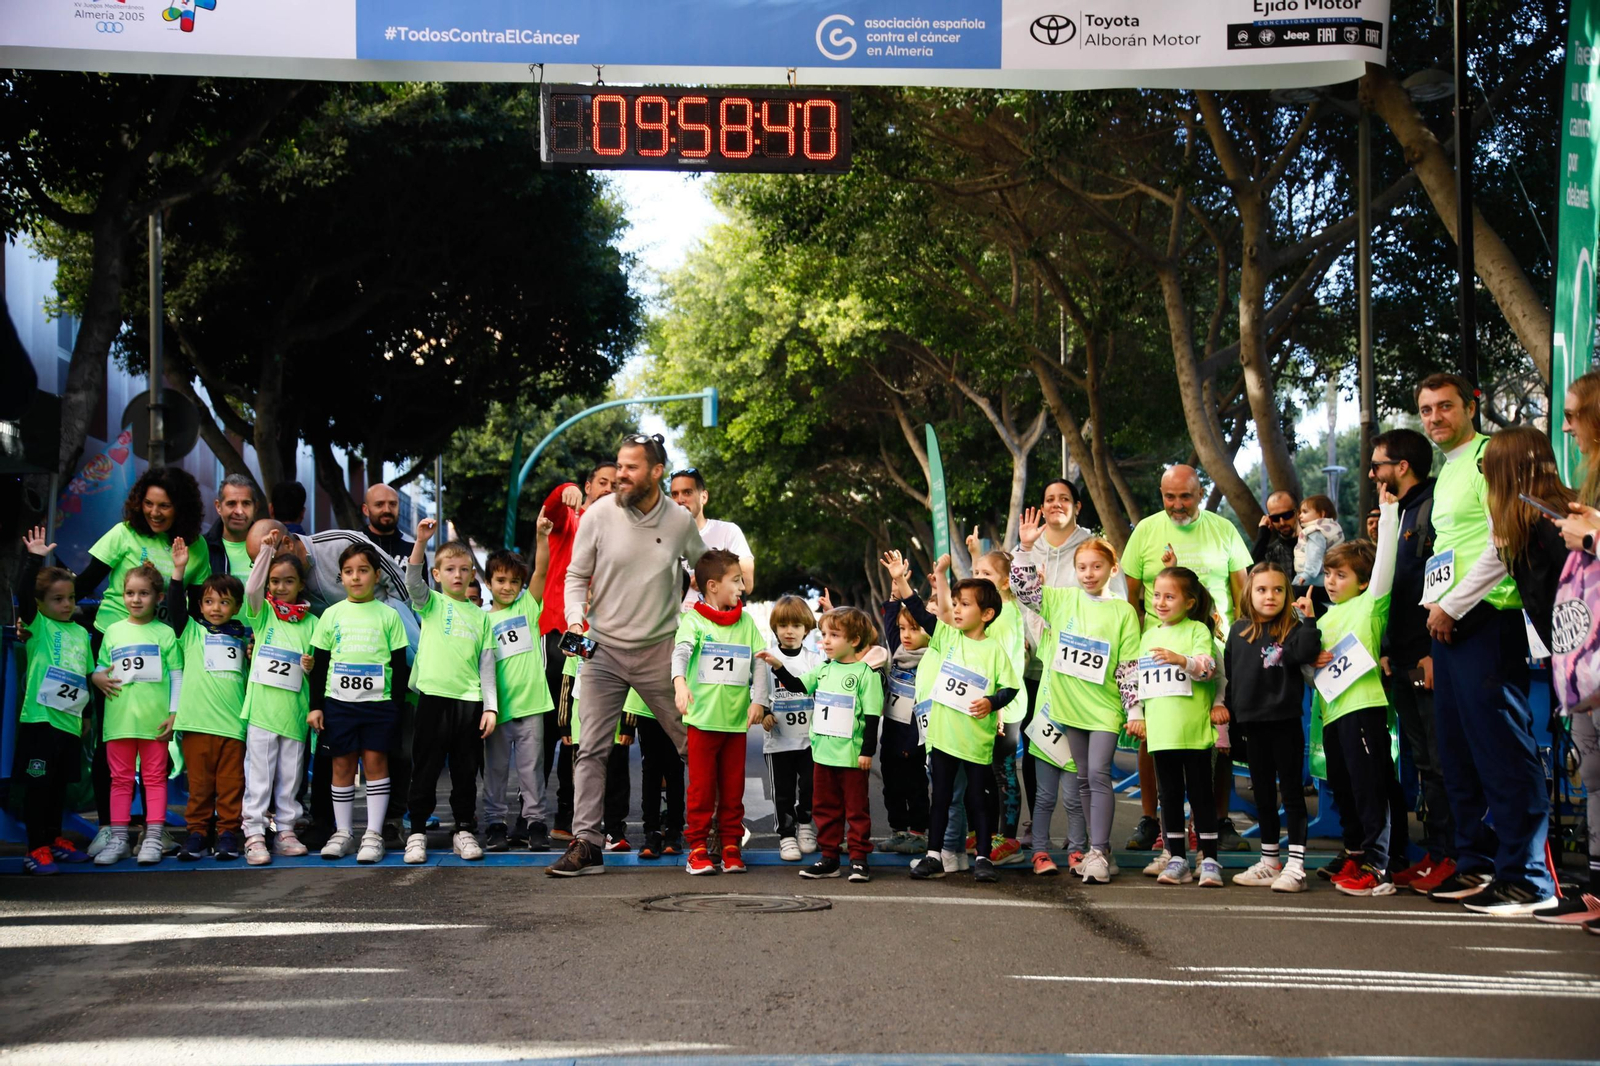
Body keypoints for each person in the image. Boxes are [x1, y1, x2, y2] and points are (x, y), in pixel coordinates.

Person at [1419, 372, 1556, 913]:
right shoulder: (1448, 471)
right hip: (1446, 625)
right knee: (1457, 753)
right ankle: (1475, 864)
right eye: (1426, 409)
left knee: (1503, 751)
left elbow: (1506, 541)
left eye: (1445, 406)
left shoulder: (1489, 459)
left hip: (1487, 620)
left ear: (1471, 406)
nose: (1435, 418)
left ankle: (1526, 875)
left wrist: (1454, 605)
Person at [549, 433, 707, 876]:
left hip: (660, 650)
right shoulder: (598, 515)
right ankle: (587, 844)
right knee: (591, 750)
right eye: (619, 466)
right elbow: (576, 576)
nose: (620, 475)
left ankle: (711, 830)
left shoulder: (678, 520)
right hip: (602, 650)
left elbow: (706, 567)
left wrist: (728, 589)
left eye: (631, 467)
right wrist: (577, 619)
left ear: (656, 472)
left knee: (693, 742)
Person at [245, 518, 417, 845]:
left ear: (284, 542)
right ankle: (334, 828)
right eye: (258, 563)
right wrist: (316, 703)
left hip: (385, 678)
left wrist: (405, 614)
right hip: (336, 695)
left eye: (264, 554)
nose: (354, 577)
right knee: (337, 760)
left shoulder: (338, 545)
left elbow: (394, 581)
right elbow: (319, 657)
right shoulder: (318, 615)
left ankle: (386, 825)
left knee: (388, 753)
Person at [1121, 465, 1252, 853]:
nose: (1177, 505)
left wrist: (1242, 644)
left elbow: (1242, 591)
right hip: (1157, 651)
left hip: (1212, 649)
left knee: (1219, 733)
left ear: (1201, 492)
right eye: (1169, 496)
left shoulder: (1223, 529)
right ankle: (1150, 819)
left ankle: (1219, 819)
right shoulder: (1145, 530)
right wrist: (1134, 646)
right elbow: (1132, 598)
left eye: (1186, 496)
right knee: (1151, 735)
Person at [1011, 519, 1139, 885]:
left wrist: (1134, 709)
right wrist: (1024, 549)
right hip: (1067, 708)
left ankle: (1097, 849)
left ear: (1112, 569)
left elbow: (1129, 665)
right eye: (1081, 567)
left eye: (1096, 567)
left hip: (1104, 709)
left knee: (1098, 775)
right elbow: (1025, 591)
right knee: (1083, 779)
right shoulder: (1060, 599)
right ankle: (1101, 854)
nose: (1088, 573)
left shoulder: (1123, 612)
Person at [1298, 488, 1400, 897]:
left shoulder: (1370, 605)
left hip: (1364, 709)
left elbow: (1386, 564)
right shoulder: (1325, 615)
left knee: (1369, 784)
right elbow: (1310, 669)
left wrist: (1390, 512)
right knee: (1341, 784)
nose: (1332, 582)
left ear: (1362, 581)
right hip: (1332, 715)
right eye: (1328, 574)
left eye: (1341, 576)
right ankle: (1356, 849)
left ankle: (1380, 863)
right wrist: (1307, 631)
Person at [1368, 427, 1455, 892]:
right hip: (1401, 655)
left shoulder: (1435, 508)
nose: (1372, 473)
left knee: (1441, 761)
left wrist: (1431, 652)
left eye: (1379, 465)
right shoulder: (1400, 513)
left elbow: (1441, 581)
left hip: (1428, 654)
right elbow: (1392, 590)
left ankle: (1453, 855)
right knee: (1423, 762)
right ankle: (1435, 853)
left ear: (1402, 467)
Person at [910, 567, 1022, 885]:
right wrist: (902, 582)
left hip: (976, 740)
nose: (956, 609)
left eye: (965, 604)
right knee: (942, 797)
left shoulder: (995, 650)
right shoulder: (947, 637)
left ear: (987, 614)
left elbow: (1010, 687)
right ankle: (934, 855)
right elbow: (921, 612)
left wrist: (991, 702)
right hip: (944, 737)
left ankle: (983, 857)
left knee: (978, 799)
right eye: (955, 603)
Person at [760, 606, 886, 883]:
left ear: (853, 641)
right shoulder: (824, 669)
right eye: (824, 634)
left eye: (834, 635)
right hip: (823, 755)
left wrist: (867, 752)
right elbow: (797, 686)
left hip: (851, 756)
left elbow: (873, 716)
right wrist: (778, 667)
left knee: (855, 809)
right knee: (824, 807)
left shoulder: (866, 674)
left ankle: (858, 859)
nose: (826, 640)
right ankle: (829, 858)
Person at [403, 519, 498, 864]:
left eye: (464, 570)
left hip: (469, 702)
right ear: (438, 574)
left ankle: (463, 829)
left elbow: (487, 664)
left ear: (473, 574)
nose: (457, 575)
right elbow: (413, 582)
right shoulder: (432, 604)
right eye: (449, 569)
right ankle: (416, 832)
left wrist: (490, 707)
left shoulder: (481, 617)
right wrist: (420, 542)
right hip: (433, 697)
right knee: (425, 767)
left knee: (464, 770)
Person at [308, 543, 410, 863]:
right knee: (342, 766)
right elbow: (320, 664)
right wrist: (316, 706)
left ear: (377, 575)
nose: (356, 577)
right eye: (349, 572)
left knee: (376, 765)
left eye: (363, 571)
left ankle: (373, 833)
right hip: (339, 704)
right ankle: (343, 832)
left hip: (379, 705)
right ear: (341, 577)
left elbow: (399, 665)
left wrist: (395, 707)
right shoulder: (331, 615)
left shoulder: (389, 616)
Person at [1225, 562, 1322, 891]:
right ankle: (1269, 861)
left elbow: (1308, 652)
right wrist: (1232, 723)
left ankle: (1296, 865)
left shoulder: (1292, 630)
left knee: (1292, 794)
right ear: (1249, 592)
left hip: (1285, 723)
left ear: (1287, 594)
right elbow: (1232, 679)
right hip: (1252, 725)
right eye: (1262, 590)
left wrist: (1308, 619)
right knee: (1263, 795)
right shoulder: (1237, 633)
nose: (1270, 596)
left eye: (1278, 590)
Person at [1544, 370, 1600, 926]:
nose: (1567, 426)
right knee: (1594, 770)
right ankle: (1594, 893)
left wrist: (1590, 536)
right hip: (1584, 659)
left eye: (1575, 414)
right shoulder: (1589, 475)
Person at [671, 548, 764, 875]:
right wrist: (680, 684)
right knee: (701, 789)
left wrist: (759, 700)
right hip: (702, 721)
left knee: (733, 788)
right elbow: (680, 654)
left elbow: (761, 662)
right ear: (712, 586)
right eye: (735, 580)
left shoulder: (747, 622)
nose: (742, 586)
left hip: (736, 724)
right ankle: (697, 848)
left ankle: (730, 846)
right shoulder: (693, 620)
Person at [538, 461, 616, 842]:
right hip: (560, 634)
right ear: (588, 487)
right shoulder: (573, 520)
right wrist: (563, 489)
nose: (608, 489)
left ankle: (576, 818)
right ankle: (535, 817)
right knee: (551, 730)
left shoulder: (620, 531)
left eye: (616, 485)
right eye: (602, 482)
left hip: (601, 640)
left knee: (587, 734)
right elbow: (551, 510)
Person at [89, 562, 181, 866]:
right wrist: (95, 676)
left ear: (159, 597)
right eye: (130, 593)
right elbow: (102, 667)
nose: (136, 599)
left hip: (155, 722)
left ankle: (153, 836)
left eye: (143, 593)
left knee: (155, 778)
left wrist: (174, 713)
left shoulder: (165, 634)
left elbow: (177, 676)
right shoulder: (113, 631)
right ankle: (118, 838)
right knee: (120, 780)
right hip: (119, 721)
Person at [15, 527, 93, 875]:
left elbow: (86, 676)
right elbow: (22, 591)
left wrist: (87, 715)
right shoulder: (38, 626)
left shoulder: (80, 632)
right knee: (39, 787)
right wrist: (34, 558)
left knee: (60, 786)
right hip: (40, 722)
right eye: (57, 599)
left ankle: (55, 838)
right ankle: (36, 848)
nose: (66, 605)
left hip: (69, 723)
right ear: (41, 604)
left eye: (70, 598)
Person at [167, 537, 250, 862]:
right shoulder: (190, 632)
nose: (216, 608)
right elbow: (175, 605)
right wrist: (179, 570)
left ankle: (228, 833)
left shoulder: (245, 636)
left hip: (233, 727)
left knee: (231, 787)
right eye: (209, 602)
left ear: (237, 607)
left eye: (224, 602)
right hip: (197, 724)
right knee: (200, 788)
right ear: (199, 606)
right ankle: (197, 834)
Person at [238, 529, 316, 865]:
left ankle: (285, 829)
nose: (280, 587)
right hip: (262, 710)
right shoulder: (262, 615)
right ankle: (254, 834)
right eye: (275, 581)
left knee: (290, 776)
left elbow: (319, 662)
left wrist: (312, 665)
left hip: (295, 713)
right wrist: (266, 554)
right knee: (258, 775)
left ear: (301, 584)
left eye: (288, 581)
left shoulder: (313, 622)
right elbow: (252, 590)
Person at [481, 536, 555, 854]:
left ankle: (535, 824)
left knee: (531, 770)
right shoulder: (481, 621)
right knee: (495, 771)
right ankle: (495, 824)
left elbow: (542, 570)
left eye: (514, 581)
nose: (507, 586)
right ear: (487, 582)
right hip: (497, 710)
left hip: (532, 705)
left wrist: (540, 536)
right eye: (500, 580)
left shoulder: (527, 606)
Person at [967, 539, 1030, 866]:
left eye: (986, 573)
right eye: (975, 570)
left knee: (1004, 773)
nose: (978, 575)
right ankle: (986, 832)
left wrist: (999, 708)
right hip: (988, 705)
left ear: (1005, 582)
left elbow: (1006, 667)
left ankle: (1008, 839)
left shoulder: (1004, 616)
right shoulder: (991, 610)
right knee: (988, 772)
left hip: (1004, 707)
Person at [752, 594, 826, 862]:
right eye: (783, 626)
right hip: (778, 742)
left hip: (809, 740)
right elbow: (759, 692)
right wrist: (766, 714)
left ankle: (805, 825)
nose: (790, 631)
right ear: (775, 629)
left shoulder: (814, 660)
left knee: (809, 786)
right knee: (782, 791)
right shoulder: (765, 658)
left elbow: (821, 691)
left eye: (796, 625)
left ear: (806, 628)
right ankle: (786, 835)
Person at [875, 555, 932, 858]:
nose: (907, 636)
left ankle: (918, 833)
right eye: (903, 629)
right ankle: (898, 831)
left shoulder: (933, 656)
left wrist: (906, 587)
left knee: (915, 786)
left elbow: (924, 618)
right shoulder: (898, 650)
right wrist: (895, 590)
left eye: (914, 630)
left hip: (917, 736)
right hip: (893, 734)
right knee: (891, 785)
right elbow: (889, 620)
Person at [670, 468, 754, 605]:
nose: (680, 500)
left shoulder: (728, 531)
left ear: (703, 497)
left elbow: (748, 583)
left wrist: (710, 577)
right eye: (674, 494)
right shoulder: (661, 539)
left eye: (687, 492)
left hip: (720, 624)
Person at [203, 473, 260, 578]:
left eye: (246, 503)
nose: (239, 511)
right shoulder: (203, 547)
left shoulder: (268, 547)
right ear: (218, 506)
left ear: (255, 507)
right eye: (231, 503)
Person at [1293, 494, 1344, 595]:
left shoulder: (1315, 531)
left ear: (1322, 514)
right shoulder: (1331, 528)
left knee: (1293, 599)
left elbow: (1314, 554)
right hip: (1327, 575)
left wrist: (1307, 574)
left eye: (1305, 512)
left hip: (1310, 577)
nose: (1300, 516)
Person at [361, 484, 414, 566]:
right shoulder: (352, 543)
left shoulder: (412, 546)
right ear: (366, 510)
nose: (387, 510)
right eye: (379, 505)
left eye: (392, 504)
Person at [1252, 490, 1300, 572]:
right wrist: (1262, 535)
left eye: (1287, 515)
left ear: (1298, 513)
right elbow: (1250, 574)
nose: (1282, 523)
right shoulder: (1271, 553)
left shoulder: (1316, 543)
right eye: (1275, 518)